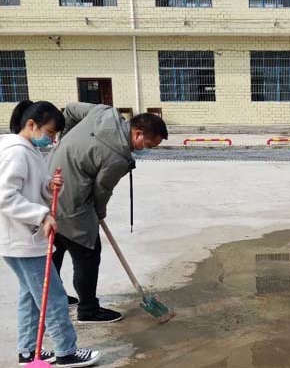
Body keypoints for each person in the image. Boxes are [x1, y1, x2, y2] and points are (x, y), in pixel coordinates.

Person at [0, 100, 100, 367]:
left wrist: (48, 184)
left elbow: (28, 186)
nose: (52, 140)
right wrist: (41, 215)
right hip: (22, 239)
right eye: (50, 133)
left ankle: (27, 350)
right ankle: (67, 351)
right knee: (54, 296)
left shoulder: (28, 150)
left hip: (23, 239)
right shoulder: (15, 152)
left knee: (30, 297)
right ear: (31, 125)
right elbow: (5, 197)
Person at [48, 103, 168, 324]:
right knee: (87, 254)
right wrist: (99, 213)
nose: (145, 149)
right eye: (148, 144)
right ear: (137, 133)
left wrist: (61, 143)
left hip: (48, 185)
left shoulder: (103, 112)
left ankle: (52, 297)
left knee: (56, 246)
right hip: (72, 200)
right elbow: (102, 189)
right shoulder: (117, 158)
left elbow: (71, 111)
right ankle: (88, 310)